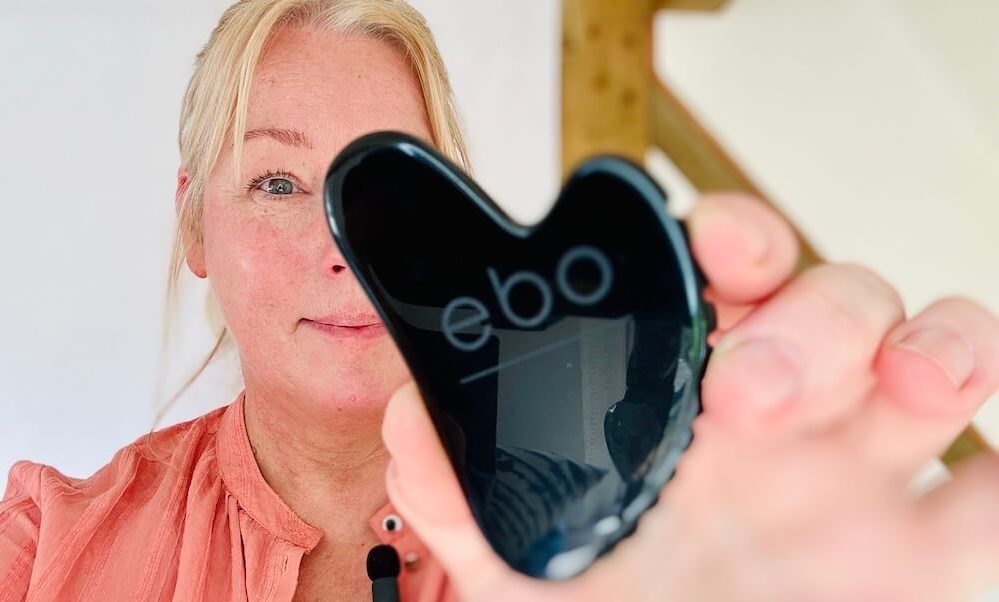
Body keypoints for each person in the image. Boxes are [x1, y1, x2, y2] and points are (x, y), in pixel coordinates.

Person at [2, 0, 998, 600]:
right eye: (275, 183)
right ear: (194, 226)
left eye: (382, 199)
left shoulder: (613, 521)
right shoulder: (44, 546)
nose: (339, 250)